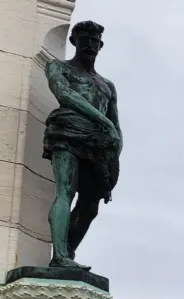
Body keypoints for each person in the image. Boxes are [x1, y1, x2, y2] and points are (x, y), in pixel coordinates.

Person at [41, 20, 122, 270]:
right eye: (85, 40)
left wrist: (114, 156)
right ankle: (59, 257)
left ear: (101, 45)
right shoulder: (58, 67)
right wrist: (102, 122)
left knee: (90, 205)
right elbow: (64, 94)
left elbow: (116, 125)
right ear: (74, 41)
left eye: (95, 41)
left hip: (98, 144)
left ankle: (68, 254)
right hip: (67, 132)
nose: (90, 45)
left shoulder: (107, 85)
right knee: (66, 190)